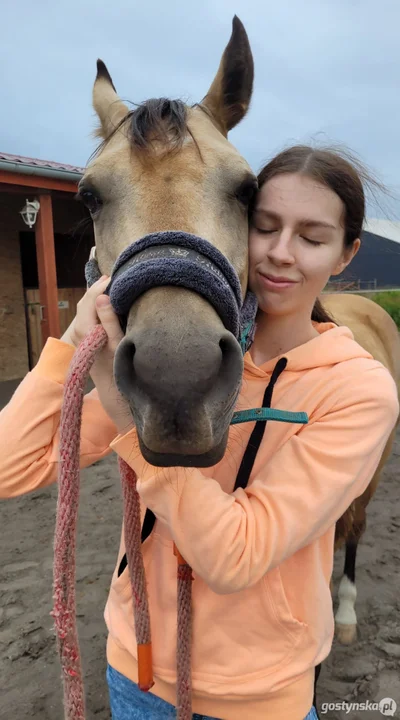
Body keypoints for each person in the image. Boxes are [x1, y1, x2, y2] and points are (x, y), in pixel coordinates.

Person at [0, 145, 398, 720]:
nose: (281, 255)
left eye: (312, 238)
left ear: (345, 254)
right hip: (133, 667)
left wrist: (130, 422)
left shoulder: (357, 389)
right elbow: (13, 465)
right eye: (264, 227)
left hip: (260, 699)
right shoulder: (169, 364)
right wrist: (68, 345)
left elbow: (237, 556)